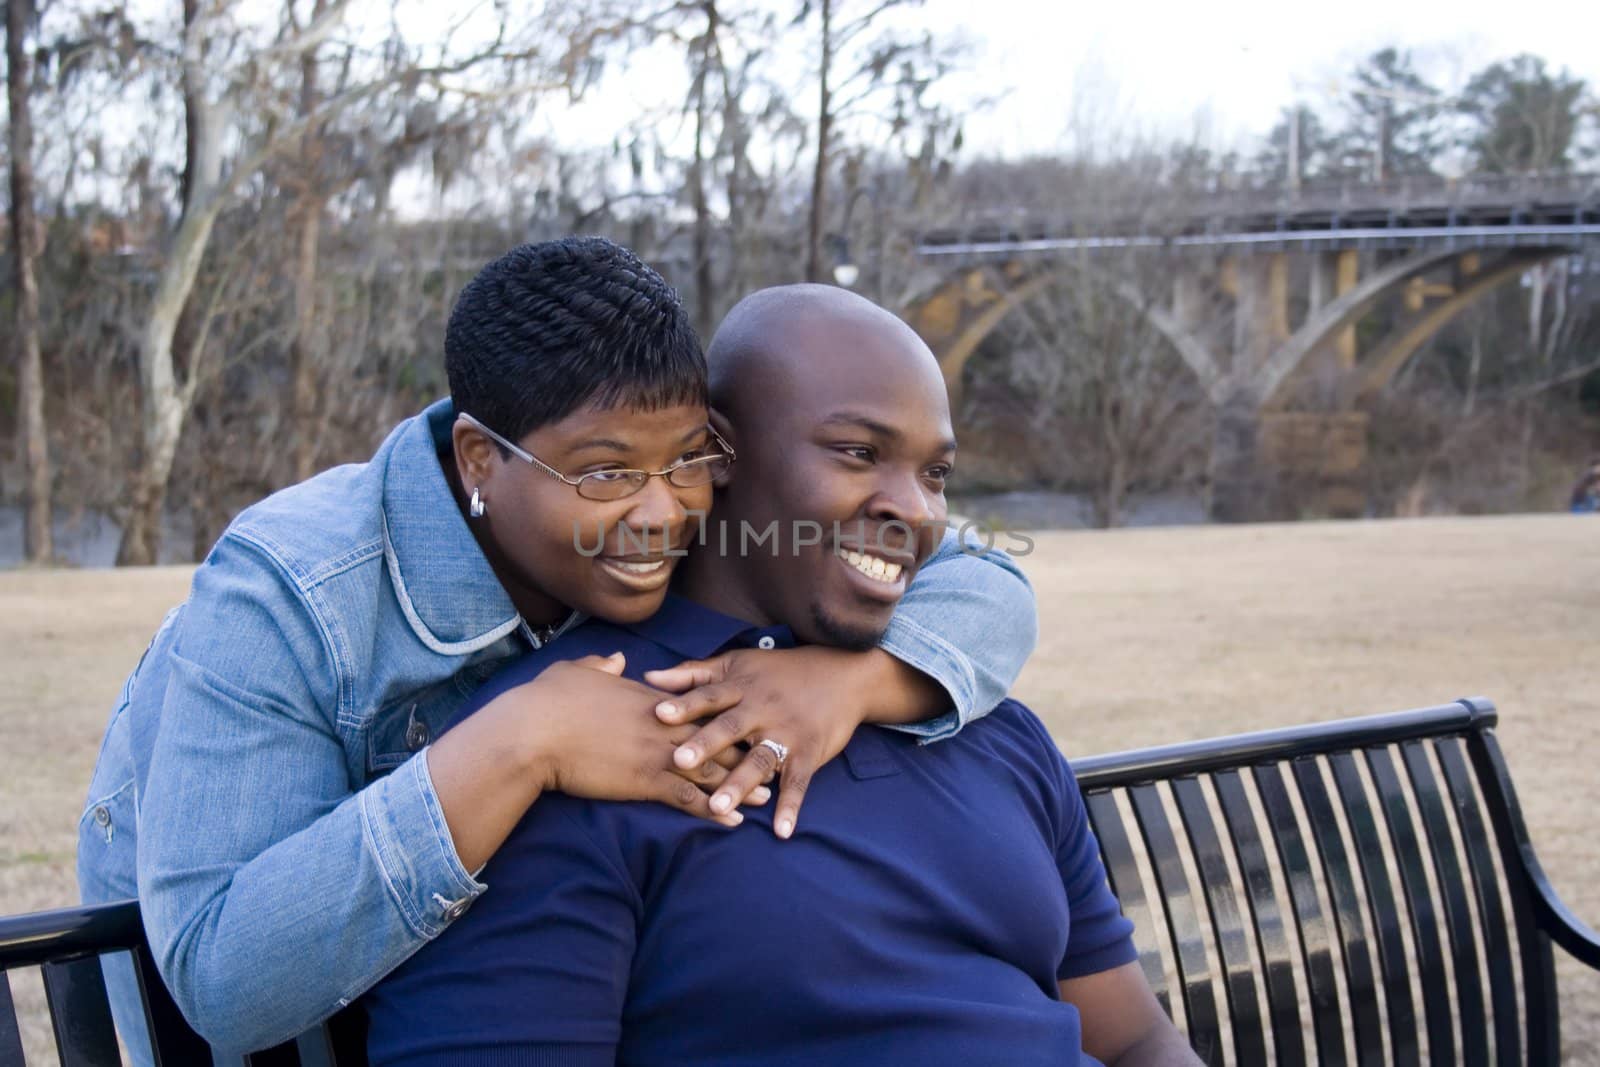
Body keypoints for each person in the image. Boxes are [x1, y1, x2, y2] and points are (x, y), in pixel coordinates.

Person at [76, 241, 1038, 1058]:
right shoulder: (290, 591)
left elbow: (987, 579)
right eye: (608, 472)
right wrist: (521, 739)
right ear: (480, 461)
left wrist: (851, 683)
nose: (663, 512)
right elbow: (221, 973)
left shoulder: (660, 504)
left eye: (690, 461)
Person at [364, 285, 1196, 1066]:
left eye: (935, 472)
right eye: (857, 451)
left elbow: (1137, 1041)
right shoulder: (563, 750)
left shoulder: (979, 721)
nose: (915, 508)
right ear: (715, 452)